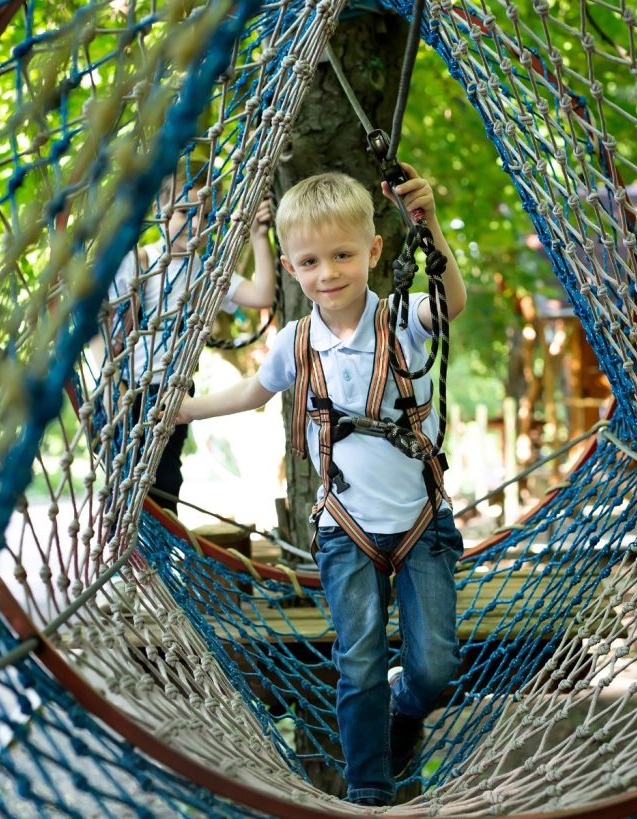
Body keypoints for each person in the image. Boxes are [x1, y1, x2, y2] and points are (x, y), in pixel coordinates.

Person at [175, 167, 467, 806]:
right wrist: (185, 410)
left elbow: (449, 302)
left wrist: (430, 226)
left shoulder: (402, 317)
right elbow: (254, 392)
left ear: (374, 252)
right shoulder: (295, 342)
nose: (328, 272)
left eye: (342, 255)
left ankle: (405, 706)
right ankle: (368, 789)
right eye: (310, 261)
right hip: (346, 527)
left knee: (435, 672)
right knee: (357, 663)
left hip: (422, 524)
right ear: (289, 267)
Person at [94, 175, 276, 515]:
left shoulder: (206, 272)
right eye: (184, 212)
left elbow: (261, 294)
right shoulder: (138, 262)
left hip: (172, 392)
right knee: (123, 485)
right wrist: (111, 390)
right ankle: (136, 559)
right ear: (159, 211)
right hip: (127, 389)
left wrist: (259, 237)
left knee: (163, 482)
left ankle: (156, 561)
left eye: (205, 216)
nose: (194, 224)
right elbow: (103, 335)